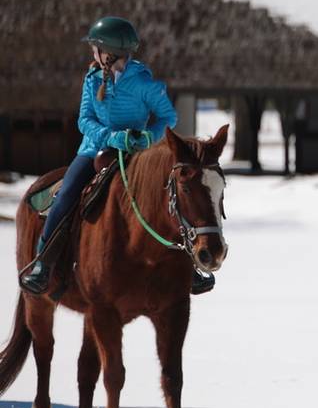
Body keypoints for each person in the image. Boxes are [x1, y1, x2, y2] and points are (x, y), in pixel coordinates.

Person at [19, 17, 213, 296]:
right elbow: (84, 121)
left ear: (107, 52)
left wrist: (148, 136)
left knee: (169, 199)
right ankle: (43, 263)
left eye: (95, 49)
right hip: (93, 150)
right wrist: (110, 137)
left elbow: (168, 116)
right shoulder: (91, 80)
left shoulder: (144, 83)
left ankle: (189, 267)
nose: (92, 54)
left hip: (138, 152)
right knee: (66, 195)